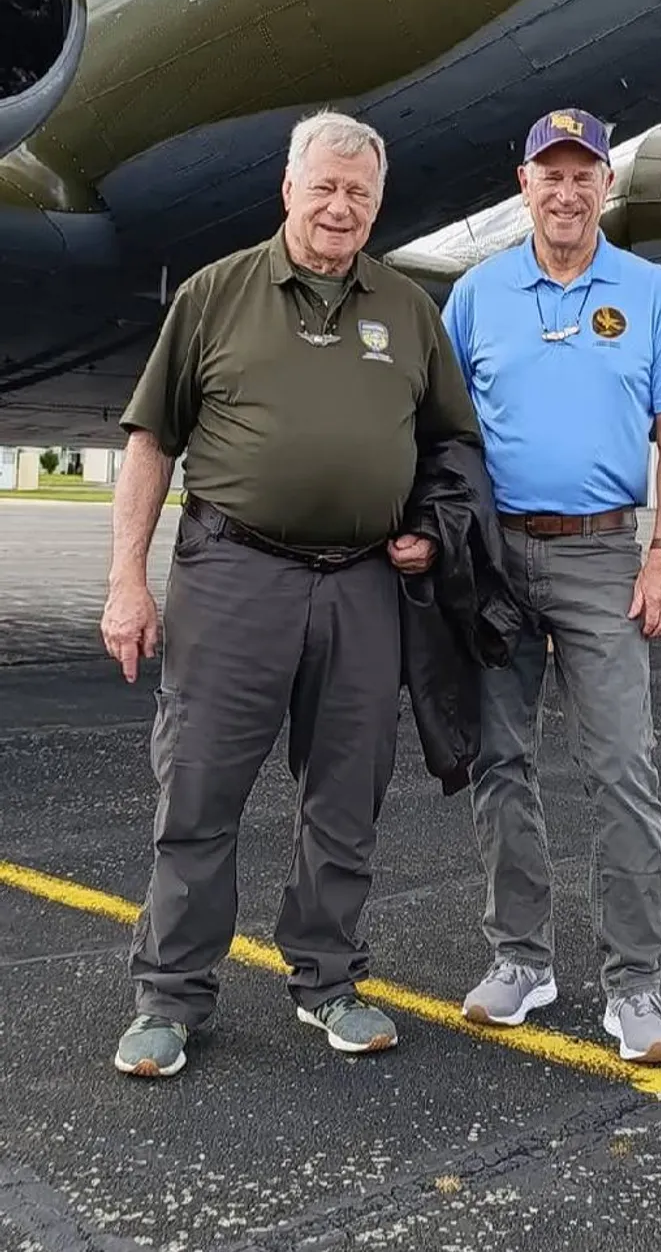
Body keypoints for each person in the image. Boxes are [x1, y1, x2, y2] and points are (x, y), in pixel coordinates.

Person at [101, 109, 482, 1078]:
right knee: (198, 790)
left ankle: (328, 981)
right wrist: (125, 584)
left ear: (377, 203)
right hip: (232, 574)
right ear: (287, 189)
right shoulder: (215, 295)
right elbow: (150, 441)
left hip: (361, 586)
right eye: (324, 186)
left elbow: (453, 445)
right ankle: (171, 998)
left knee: (347, 795)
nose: (339, 206)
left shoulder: (405, 310)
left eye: (359, 192)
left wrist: (429, 532)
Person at [441, 107, 661, 1064]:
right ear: (524, 185)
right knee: (498, 764)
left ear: (606, 186)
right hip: (497, 558)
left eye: (582, 172)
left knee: (622, 769)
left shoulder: (653, 293)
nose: (564, 190)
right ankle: (520, 959)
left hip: (605, 555)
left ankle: (635, 984)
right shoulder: (474, 296)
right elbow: (442, 432)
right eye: (547, 173)